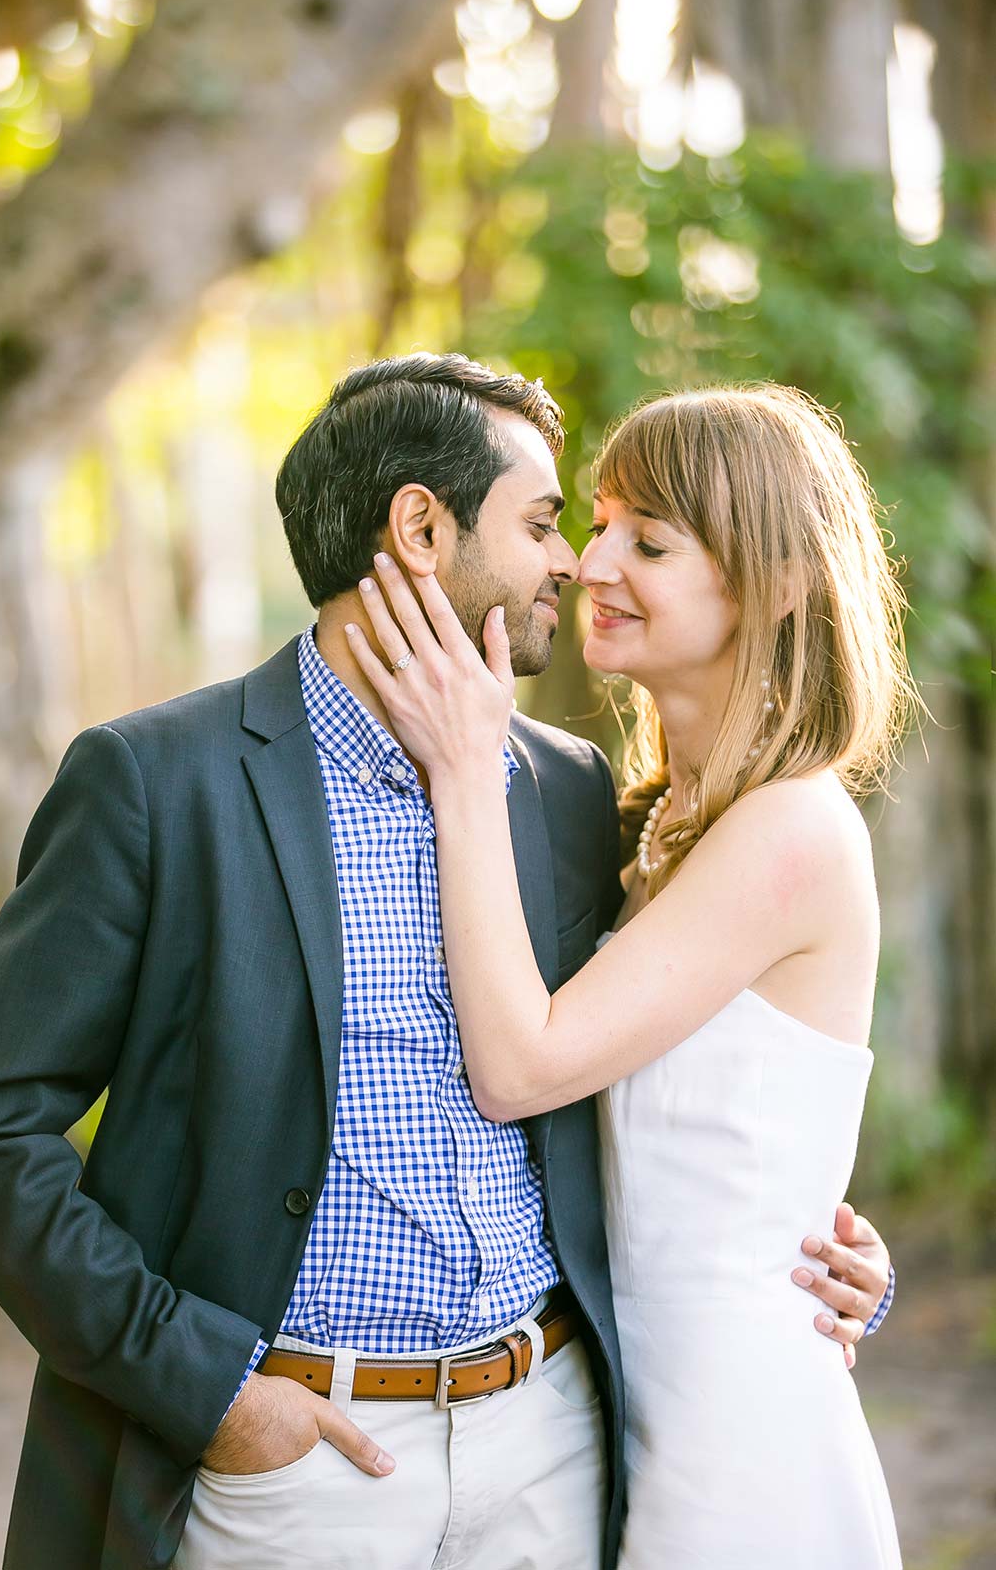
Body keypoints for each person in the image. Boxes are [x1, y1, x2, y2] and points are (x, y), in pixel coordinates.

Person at [0, 359, 894, 1570]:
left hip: (562, 1445)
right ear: (418, 526)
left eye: (623, 538)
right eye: (554, 524)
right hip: (301, 1465)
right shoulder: (158, 786)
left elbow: (694, 1070)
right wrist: (215, 1394)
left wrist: (821, 1246)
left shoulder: (565, 792)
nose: (576, 564)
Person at [346, 382, 911, 1567]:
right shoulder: (647, 822)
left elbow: (521, 1065)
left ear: (780, 581)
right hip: (615, 1414)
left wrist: (465, 767)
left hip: (738, 1447)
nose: (590, 563)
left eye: (647, 540)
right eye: (595, 523)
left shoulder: (792, 832)